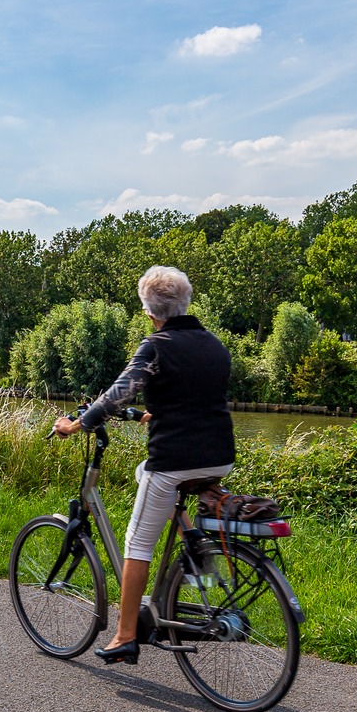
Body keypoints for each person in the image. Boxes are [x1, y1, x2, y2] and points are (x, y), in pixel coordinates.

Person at [53, 265, 235, 666]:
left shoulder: (157, 344)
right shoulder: (215, 345)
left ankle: (124, 635)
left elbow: (117, 395)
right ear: (186, 303)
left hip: (174, 460)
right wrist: (154, 412)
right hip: (219, 458)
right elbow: (195, 395)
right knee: (145, 478)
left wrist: (78, 424)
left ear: (150, 311)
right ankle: (196, 551)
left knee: (137, 543)